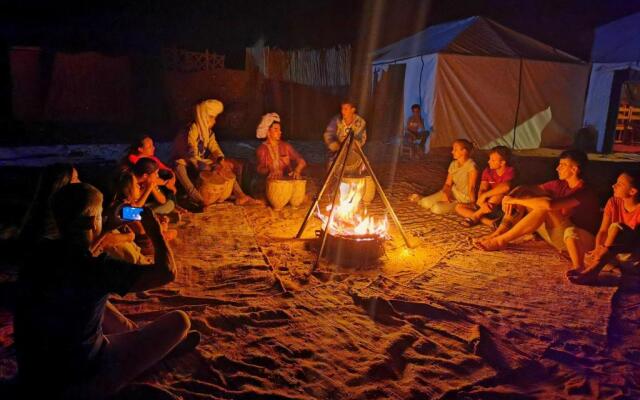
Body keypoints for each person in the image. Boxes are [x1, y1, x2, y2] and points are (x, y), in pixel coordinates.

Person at [14, 183, 198, 399]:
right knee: (180, 321)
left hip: (35, 373)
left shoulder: (41, 252)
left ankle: (139, 338)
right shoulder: (99, 269)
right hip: (80, 379)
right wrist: (155, 231)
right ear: (93, 221)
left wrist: (107, 228)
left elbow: (79, 257)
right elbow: (166, 273)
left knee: (95, 300)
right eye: (101, 214)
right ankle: (152, 353)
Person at [474, 150, 600, 273]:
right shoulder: (560, 184)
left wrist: (515, 201)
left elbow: (549, 205)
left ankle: (501, 241)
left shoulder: (584, 191)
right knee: (525, 194)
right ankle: (498, 234)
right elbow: (525, 188)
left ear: (574, 169)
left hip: (576, 241)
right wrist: (510, 197)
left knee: (543, 206)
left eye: (562, 165)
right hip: (558, 235)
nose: (557, 168)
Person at [172, 99, 260, 207]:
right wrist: (204, 162)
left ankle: (241, 196)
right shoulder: (192, 129)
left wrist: (220, 159)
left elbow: (214, 147)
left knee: (224, 168)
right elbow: (191, 149)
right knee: (180, 169)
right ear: (205, 118)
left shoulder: (208, 133)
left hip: (198, 161)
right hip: (185, 161)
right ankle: (199, 199)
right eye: (213, 117)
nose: (215, 121)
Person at [570, 171, 640, 284]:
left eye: (620, 184)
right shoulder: (613, 202)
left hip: (631, 256)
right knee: (572, 233)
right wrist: (598, 250)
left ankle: (593, 271)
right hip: (611, 255)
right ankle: (596, 265)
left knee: (616, 227)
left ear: (632, 191)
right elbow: (602, 231)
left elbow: (634, 243)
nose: (613, 186)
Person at [409, 139, 479, 214]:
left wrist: (472, 203)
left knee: (436, 208)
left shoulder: (472, 167)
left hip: (463, 199)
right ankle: (423, 199)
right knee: (425, 203)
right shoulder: (453, 164)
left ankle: (452, 206)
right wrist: (446, 194)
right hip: (453, 192)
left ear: (464, 151)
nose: (452, 152)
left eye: (455, 150)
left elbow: (472, 187)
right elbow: (448, 184)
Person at [18, 163, 80, 241]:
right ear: (63, 183)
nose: (79, 182)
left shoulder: (37, 211)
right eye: (75, 178)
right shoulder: (52, 223)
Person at [456, 146, 515, 227]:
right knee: (459, 207)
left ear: (502, 163)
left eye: (493, 160)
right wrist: (481, 201)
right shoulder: (488, 171)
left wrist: (485, 195)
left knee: (499, 194)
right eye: (489, 159)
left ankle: (475, 216)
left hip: (502, 206)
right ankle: (491, 222)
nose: (489, 161)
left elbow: (506, 187)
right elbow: (483, 188)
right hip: (487, 206)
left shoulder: (510, 170)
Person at [323, 100, 367, 174]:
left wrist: (353, 145)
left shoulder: (360, 122)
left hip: (354, 151)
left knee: (364, 164)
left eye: (345, 109)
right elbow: (328, 135)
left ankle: (356, 181)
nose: (342, 111)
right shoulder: (336, 120)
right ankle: (334, 182)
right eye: (342, 109)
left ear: (353, 110)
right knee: (332, 167)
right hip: (337, 151)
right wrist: (337, 146)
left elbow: (362, 138)